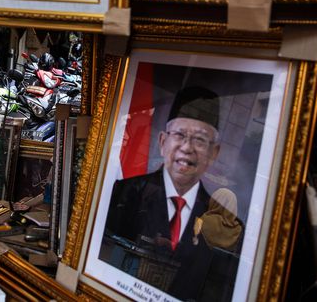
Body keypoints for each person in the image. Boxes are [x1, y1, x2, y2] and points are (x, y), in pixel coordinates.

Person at [100, 86, 240, 301]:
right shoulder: (127, 190)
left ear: (214, 153)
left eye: (200, 140)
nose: (187, 147)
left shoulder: (215, 215)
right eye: (180, 134)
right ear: (163, 142)